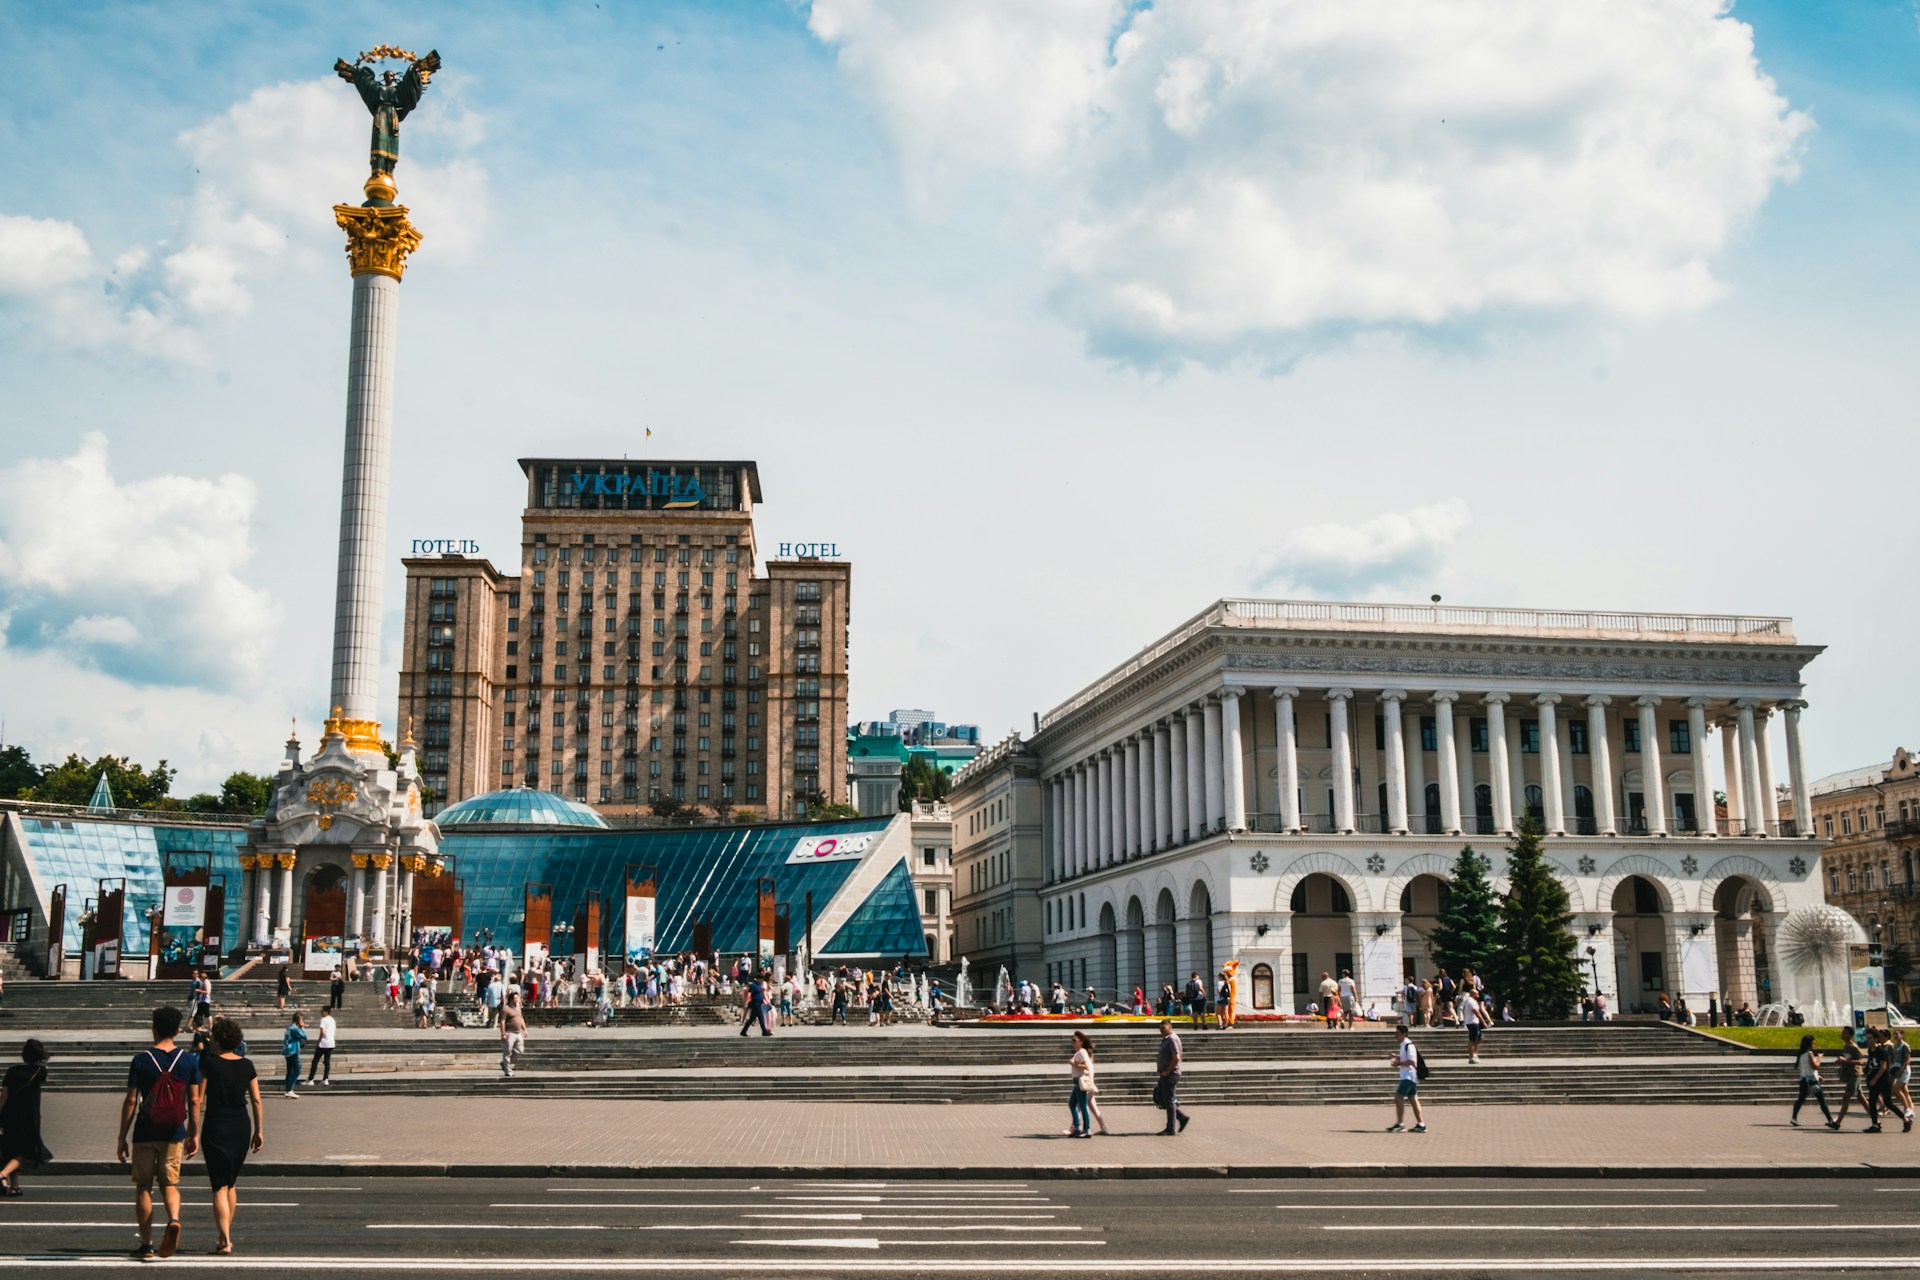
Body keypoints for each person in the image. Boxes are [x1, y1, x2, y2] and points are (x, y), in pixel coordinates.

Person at [117, 1006, 201, 1261]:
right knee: (170, 1184)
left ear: (153, 1027)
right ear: (177, 1030)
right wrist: (193, 1134)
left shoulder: (141, 1060)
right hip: (174, 1132)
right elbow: (195, 1101)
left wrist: (122, 1136)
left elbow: (132, 1101)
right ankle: (174, 1219)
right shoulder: (188, 1060)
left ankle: (147, 1245)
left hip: (145, 1131)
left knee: (144, 1187)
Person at [194, 1017, 263, 1255]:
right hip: (241, 1127)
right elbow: (256, 1099)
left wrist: (192, 1129)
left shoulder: (209, 1065)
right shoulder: (247, 1065)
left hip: (216, 1125)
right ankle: (224, 1237)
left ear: (220, 1039)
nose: (210, 1039)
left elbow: (198, 1100)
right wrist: (259, 1131)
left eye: (213, 1035)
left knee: (218, 1185)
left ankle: (225, 1240)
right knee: (231, 1182)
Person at [0, 1039, 52, 1196]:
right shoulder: (40, 1071)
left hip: (9, 1116)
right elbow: (41, 1086)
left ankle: (15, 1186)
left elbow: (4, 1096)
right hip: (29, 1117)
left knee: (12, 1149)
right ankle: (2, 1174)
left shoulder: (12, 1071)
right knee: (29, 1151)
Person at [1387, 1023, 1426, 1133]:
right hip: (1408, 1076)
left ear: (1404, 1034)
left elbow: (1412, 1061)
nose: (1396, 1035)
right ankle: (1421, 1124)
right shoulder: (1404, 1045)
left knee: (1398, 1097)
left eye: (1398, 1033)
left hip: (1409, 1076)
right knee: (1413, 1099)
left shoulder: (1409, 1045)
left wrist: (1398, 1063)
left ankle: (1400, 1124)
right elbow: (1406, 1057)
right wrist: (1396, 1057)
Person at [1830, 1025, 1869, 1131]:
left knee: (1846, 1098)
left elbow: (1861, 1061)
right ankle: (1875, 1120)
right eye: (1843, 1032)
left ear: (1851, 1035)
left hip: (1855, 1075)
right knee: (1861, 1098)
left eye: (1845, 1033)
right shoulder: (1846, 1045)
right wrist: (1841, 1061)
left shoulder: (1853, 1046)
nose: (1843, 1034)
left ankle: (1837, 1123)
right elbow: (1847, 1058)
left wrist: (1845, 1061)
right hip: (1851, 1074)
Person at [1790, 1033, 1833, 1128]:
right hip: (1812, 1081)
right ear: (1809, 1044)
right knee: (1822, 1100)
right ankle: (1830, 1120)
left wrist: (1818, 1076)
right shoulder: (1809, 1053)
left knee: (1800, 1100)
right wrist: (1820, 1058)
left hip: (1804, 1080)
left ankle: (1794, 1117)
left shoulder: (1801, 1055)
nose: (1814, 1045)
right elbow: (1815, 1066)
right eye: (1813, 1043)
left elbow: (1808, 1068)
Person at [1155, 1019, 1189, 1135]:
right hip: (1166, 1073)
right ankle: (1181, 1117)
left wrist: (1167, 1071)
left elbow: (1176, 1057)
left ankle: (1171, 1128)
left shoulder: (1172, 1039)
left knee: (1168, 1100)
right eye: (1160, 1029)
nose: (1161, 1031)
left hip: (1170, 1074)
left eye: (1163, 1029)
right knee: (1162, 1098)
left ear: (1170, 1028)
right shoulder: (1167, 1039)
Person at [1066, 1031, 1097, 1138]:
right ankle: (1077, 1127)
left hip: (1080, 1081)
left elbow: (1086, 1066)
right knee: (1072, 1104)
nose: (1073, 1043)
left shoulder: (1082, 1052)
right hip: (1077, 1082)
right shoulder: (1079, 1051)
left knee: (1083, 1105)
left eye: (1075, 1040)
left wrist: (1073, 1063)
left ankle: (1086, 1129)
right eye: (1072, 1040)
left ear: (1081, 1041)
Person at [499, 989, 528, 1077]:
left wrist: (525, 1029)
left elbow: (521, 1018)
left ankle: (505, 1063)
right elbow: (502, 1022)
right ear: (511, 999)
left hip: (518, 1033)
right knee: (507, 1052)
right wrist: (503, 1033)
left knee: (520, 1050)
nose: (517, 1000)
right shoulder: (506, 1009)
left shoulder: (518, 1007)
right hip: (509, 1033)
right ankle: (508, 1071)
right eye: (516, 998)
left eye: (518, 998)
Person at [1457, 986, 1488, 1065]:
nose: (1478, 995)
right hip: (1472, 1023)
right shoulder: (1471, 1002)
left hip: (1473, 1022)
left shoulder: (1468, 1001)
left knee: (1480, 1038)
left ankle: (1474, 1054)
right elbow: (1477, 1012)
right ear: (1473, 994)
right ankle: (1471, 1057)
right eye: (1477, 994)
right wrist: (1483, 1022)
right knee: (1472, 1040)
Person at [305, 1009, 337, 1086]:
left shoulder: (323, 1020)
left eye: (323, 1011)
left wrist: (318, 1042)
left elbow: (322, 1032)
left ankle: (310, 1079)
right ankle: (325, 1079)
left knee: (315, 1061)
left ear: (327, 1012)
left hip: (323, 1043)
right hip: (331, 1043)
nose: (321, 1012)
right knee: (327, 1061)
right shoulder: (332, 1020)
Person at [280, 1014, 307, 1099]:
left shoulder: (290, 1027)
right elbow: (305, 1036)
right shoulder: (295, 1028)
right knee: (297, 1071)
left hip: (287, 1051)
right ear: (298, 1020)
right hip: (292, 1051)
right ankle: (290, 1090)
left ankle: (288, 1090)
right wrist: (302, 1027)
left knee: (290, 1071)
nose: (302, 1021)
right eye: (301, 1020)